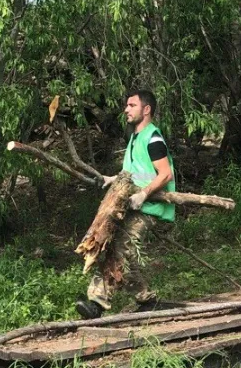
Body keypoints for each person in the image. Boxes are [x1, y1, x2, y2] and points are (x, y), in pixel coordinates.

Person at [75, 89, 176, 319]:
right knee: (114, 248)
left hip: (150, 207)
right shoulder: (135, 138)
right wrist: (114, 179)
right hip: (131, 205)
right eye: (127, 105)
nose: (126, 109)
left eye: (132, 105)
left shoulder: (153, 138)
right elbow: (132, 172)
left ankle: (98, 303)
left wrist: (143, 194)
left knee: (124, 248)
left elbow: (165, 174)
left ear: (146, 109)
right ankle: (144, 298)